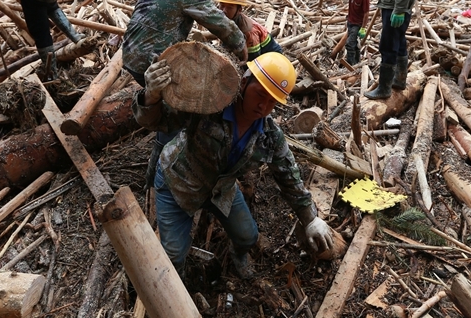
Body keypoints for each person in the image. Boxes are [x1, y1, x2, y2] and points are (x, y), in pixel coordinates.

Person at [134, 52, 334, 279]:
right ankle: (174, 291)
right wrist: (150, 96)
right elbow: (158, 121)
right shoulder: (210, 104)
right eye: (260, 94)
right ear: (243, 82)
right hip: (179, 181)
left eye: (272, 102)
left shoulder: (269, 136)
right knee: (173, 255)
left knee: (248, 237)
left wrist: (311, 218)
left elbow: (289, 176)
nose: (263, 106)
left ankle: (237, 256)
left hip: (221, 190)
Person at [122, 0, 247, 187]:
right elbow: (219, 23)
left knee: (166, 114)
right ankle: (160, 181)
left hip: (131, 58)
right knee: (173, 121)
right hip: (153, 64)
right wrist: (241, 48)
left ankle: (163, 159)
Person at [216, 0, 282, 62]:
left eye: (230, 8)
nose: (224, 10)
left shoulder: (249, 31)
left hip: (271, 58)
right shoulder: (225, 19)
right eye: (222, 5)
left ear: (239, 10)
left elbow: (253, 59)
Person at [336, 0, 370, 65]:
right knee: (354, 44)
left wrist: (363, 28)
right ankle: (357, 62)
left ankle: (351, 65)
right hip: (350, 21)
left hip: (357, 24)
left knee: (349, 44)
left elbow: (366, 13)